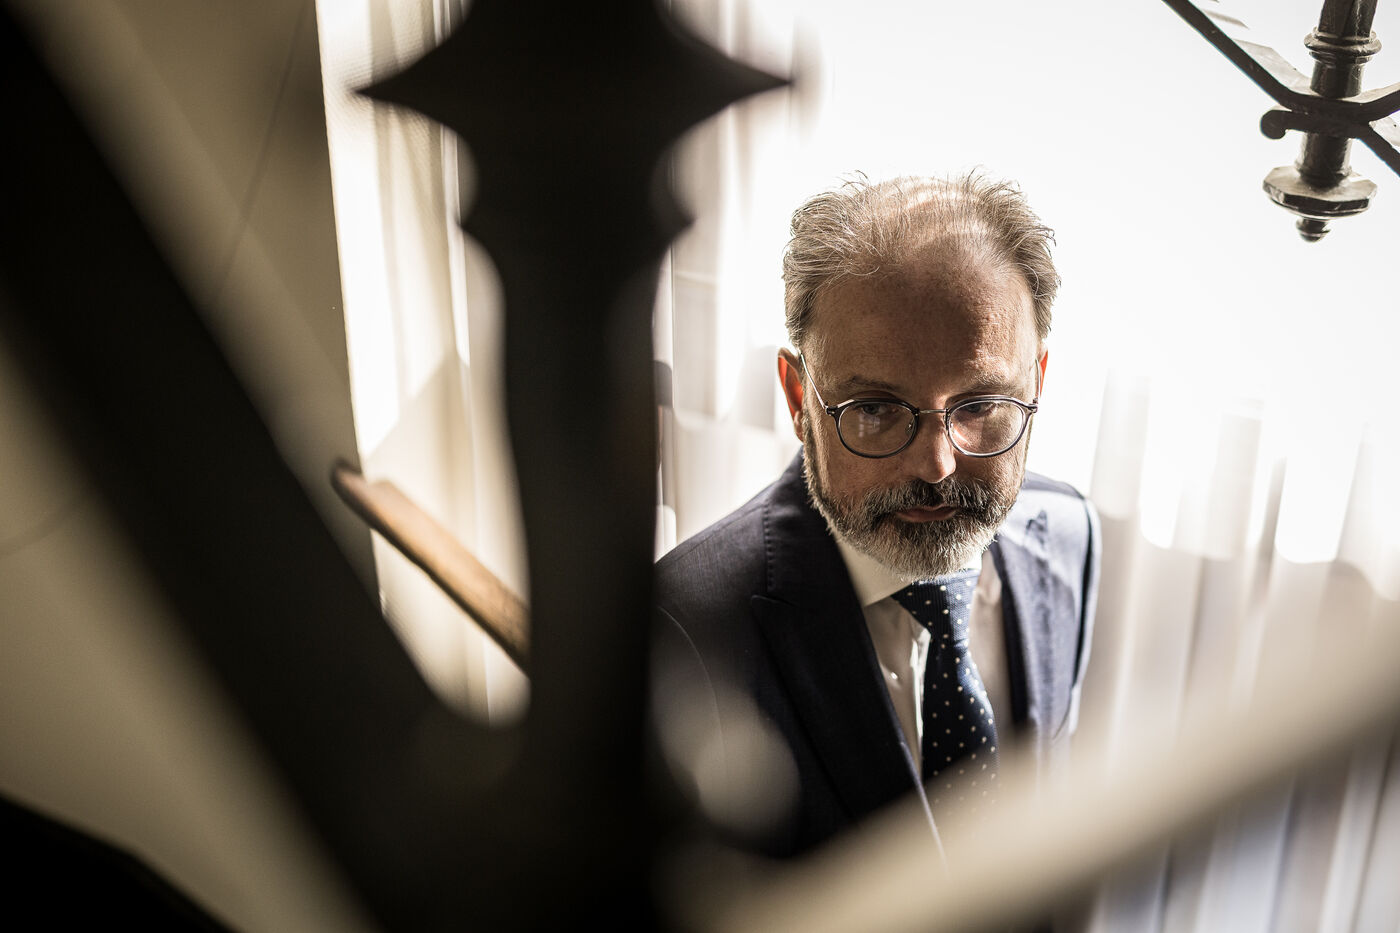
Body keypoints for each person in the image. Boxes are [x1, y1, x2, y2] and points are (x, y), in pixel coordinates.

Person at [652, 173, 1099, 858]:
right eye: (876, 409)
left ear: (1036, 381)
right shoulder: (683, 630)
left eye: (981, 405)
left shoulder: (1069, 534)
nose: (937, 465)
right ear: (799, 398)